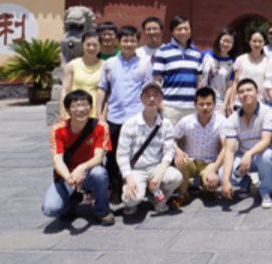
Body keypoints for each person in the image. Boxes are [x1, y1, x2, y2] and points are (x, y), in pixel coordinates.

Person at [96, 26, 153, 204]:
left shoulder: (145, 64)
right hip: (115, 117)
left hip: (136, 118)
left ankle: (134, 185)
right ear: (118, 42)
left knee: (136, 153)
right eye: (125, 40)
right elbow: (102, 88)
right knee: (112, 156)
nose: (129, 44)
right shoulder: (110, 63)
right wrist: (99, 115)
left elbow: (149, 91)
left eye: (132, 40)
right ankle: (114, 186)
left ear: (138, 42)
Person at [42, 90, 114, 226]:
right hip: (67, 175)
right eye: (75, 106)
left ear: (91, 107)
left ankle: (102, 210)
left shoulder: (100, 127)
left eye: (84, 105)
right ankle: (72, 201)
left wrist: (81, 168)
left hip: (90, 173)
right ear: (67, 110)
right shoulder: (58, 129)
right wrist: (69, 178)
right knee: (50, 209)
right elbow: (57, 161)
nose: (81, 109)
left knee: (99, 173)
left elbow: (99, 158)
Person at [117, 82, 183, 215]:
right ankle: (135, 197)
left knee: (176, 177)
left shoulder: (166, 124)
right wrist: (129, 179)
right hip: (136, 169)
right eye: (147, 95)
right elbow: (122, 155)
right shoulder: (130, 124)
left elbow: (169, 152)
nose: (151, 99)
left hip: (155, 167)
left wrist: (159, 176)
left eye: (155, 95)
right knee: (131, 200)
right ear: (141, 99)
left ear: (161, 99)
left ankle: (155, 197)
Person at [171, 87, 234, 208]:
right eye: (201, 104)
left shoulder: (221, 121)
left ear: (214, 104)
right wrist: (178, 151)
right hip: (190, 161)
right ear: (195, 105)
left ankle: (207, 187)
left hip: (209, 162)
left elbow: (225, 148)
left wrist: (214, 170)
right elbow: (170, 140)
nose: (205, 107)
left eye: (209, 104)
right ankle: (182, 194)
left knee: (212, 186)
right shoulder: (186, 121)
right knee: (180, 162)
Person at [221, 79, 272, 208]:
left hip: (260, 155)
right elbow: (229, 150)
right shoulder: (232, 119)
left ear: (257, 93)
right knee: (221, 175)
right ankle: (244, 183)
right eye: (241, 91)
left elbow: (266, 141)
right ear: (237, 96)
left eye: (249, 90)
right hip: (243, 157)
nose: (245, 94)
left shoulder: (267, 111)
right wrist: (225, 181)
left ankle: (265, 191)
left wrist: (249, 154)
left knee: (267, 156)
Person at [153, 16, 202, 125]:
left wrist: (199, 100)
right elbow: (156, 79)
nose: (183, 32)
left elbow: (199, 80)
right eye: (179, 29)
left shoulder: (196, 52)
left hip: (192, 107)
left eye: (186, 29)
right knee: (169, 135)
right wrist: (159, 101)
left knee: (189, 137)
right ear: (172, 31)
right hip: (170, 107)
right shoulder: (162, 51)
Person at [224, 29, 269, 117]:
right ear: (249, 42)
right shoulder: (240, 60)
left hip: (260, 102)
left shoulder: (268, 61)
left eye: (260, 41)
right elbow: (235, 82)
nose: (257, 44)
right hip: (240, 101)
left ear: (264, 43)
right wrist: (232, 102)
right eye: (254, 41)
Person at [60, 32, 104, 120]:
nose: (91, 48)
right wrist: (63, 114)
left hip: (96, 114)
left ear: (100, 46)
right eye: (88, 45)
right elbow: (65, 90)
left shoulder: (105, 66)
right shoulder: (72, 65)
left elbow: (107, 94)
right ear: (82, 45)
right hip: (75, 112)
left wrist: (102, 114)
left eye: (95, 45)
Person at [200, 29, 237, 113]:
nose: (226, 44)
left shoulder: (232, 62)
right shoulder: (205, 55)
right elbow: (198, 77)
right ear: (219, 40)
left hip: (219, 102)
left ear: (233, 44)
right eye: (224, 40)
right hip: (202, 99)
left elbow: (230, 86)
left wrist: (224, 106)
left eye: (229, 42)